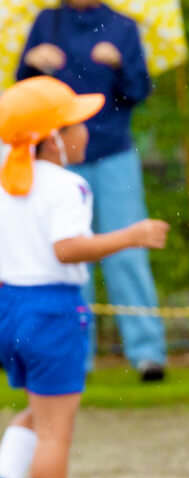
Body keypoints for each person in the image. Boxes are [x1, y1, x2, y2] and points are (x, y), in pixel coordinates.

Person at [0, 77, 169, 478]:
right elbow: (67, 249)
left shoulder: (8, 178)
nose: (87, 131)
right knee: (57, 431)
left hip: (10, 307)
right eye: (76, 124)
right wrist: (131, 235)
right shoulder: (68, 185)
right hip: (52, 309)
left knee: (37, 410)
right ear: (51, 138)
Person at [16, 0, 169, 382]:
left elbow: (138, 91)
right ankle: (75, 355)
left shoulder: (122, 26)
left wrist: (120, 64)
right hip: (57, 161)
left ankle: (147, 352)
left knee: (127, 256)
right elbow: (26, 98)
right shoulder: (46, 23)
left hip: (113, 154)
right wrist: (31, 64)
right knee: (66, 256)